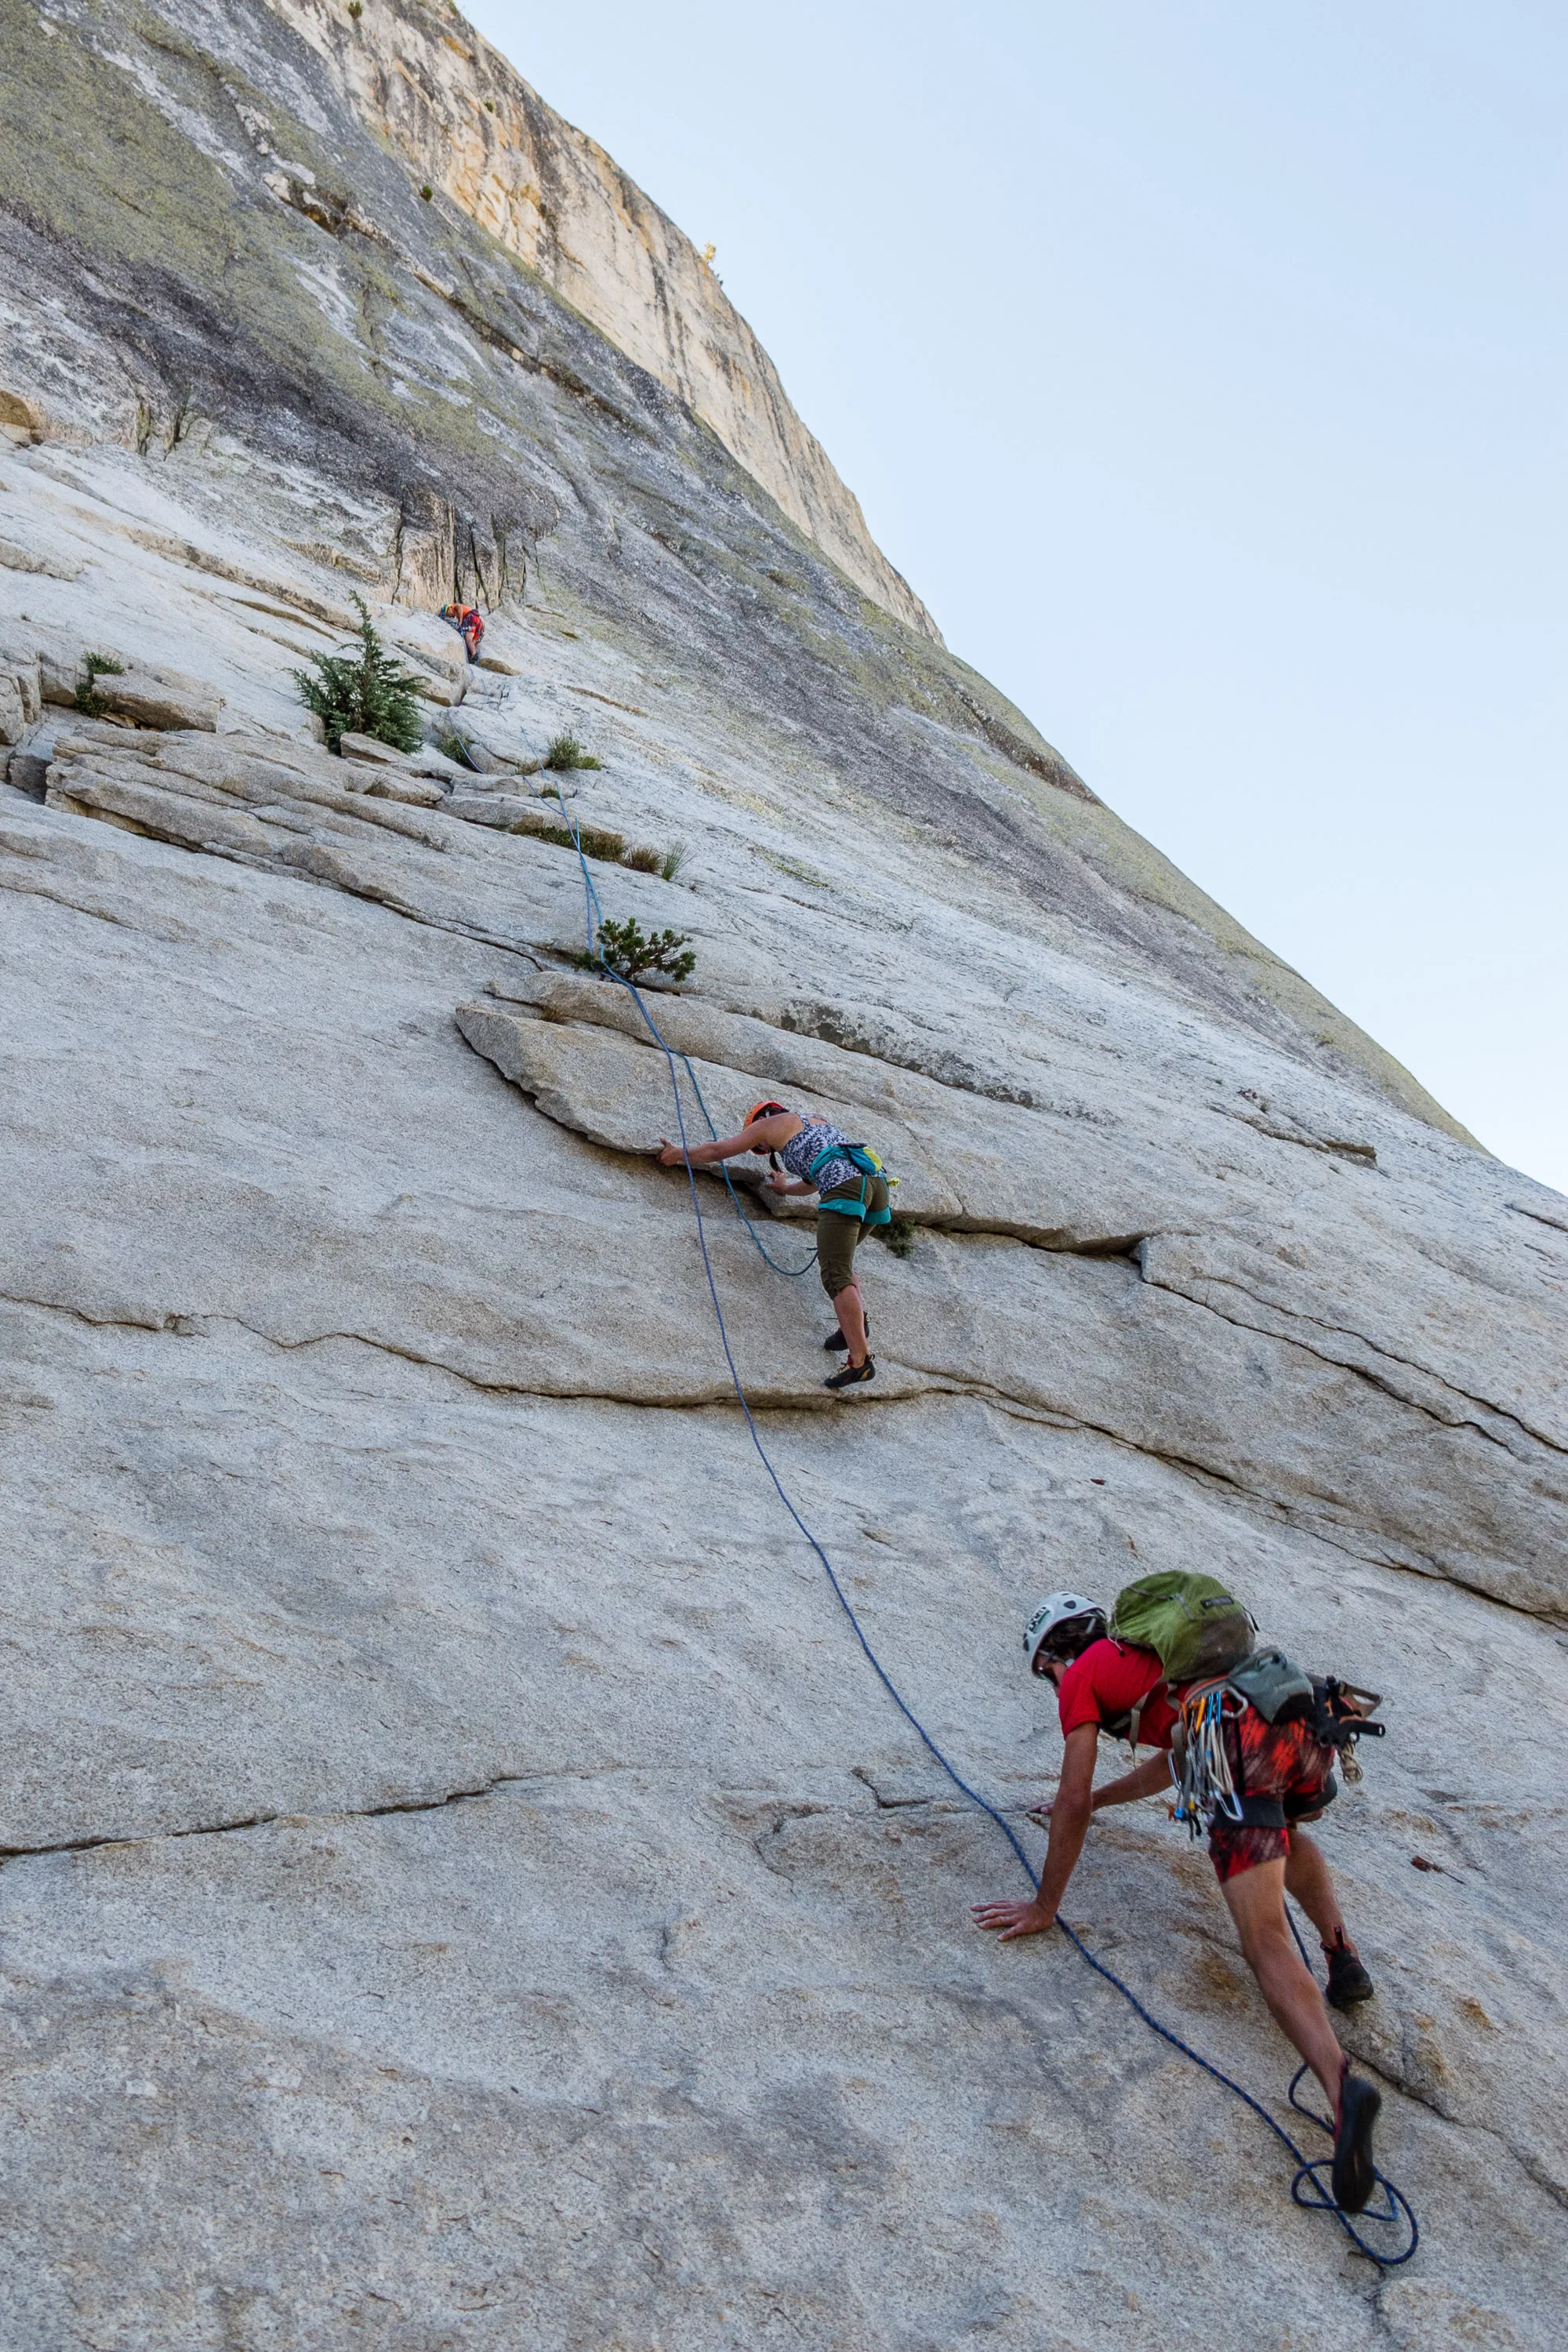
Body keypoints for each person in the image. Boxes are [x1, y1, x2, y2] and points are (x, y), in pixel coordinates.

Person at [971, 1592, 1384, 2214]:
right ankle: (1342, 1957)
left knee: (1263, 1937)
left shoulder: (1081, 1677)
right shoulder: (1161, 1664)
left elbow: (1074, 1798)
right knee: (1286, 1837)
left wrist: (1044, 1905)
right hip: (1301, 1723)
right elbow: (1174, 1761)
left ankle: (1340, 2087)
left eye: (1044, 1671)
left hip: (1235, 1738)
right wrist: (1110, 1801)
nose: (1051, 1683)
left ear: (1057, 1654)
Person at [657, 1100, 888, 1390]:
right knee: (843, 1263)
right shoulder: (817, 1120)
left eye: (760, 1149)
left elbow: (719, 1151)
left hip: (847, 1187)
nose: (764, 1151)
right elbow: (816, 1177)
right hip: (875, 1185)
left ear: (760, 1120)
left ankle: (860, 1360)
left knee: (836, 1274)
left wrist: (679, 1154)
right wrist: (785, 1189)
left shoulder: (766, 1126)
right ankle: (851, 1327)